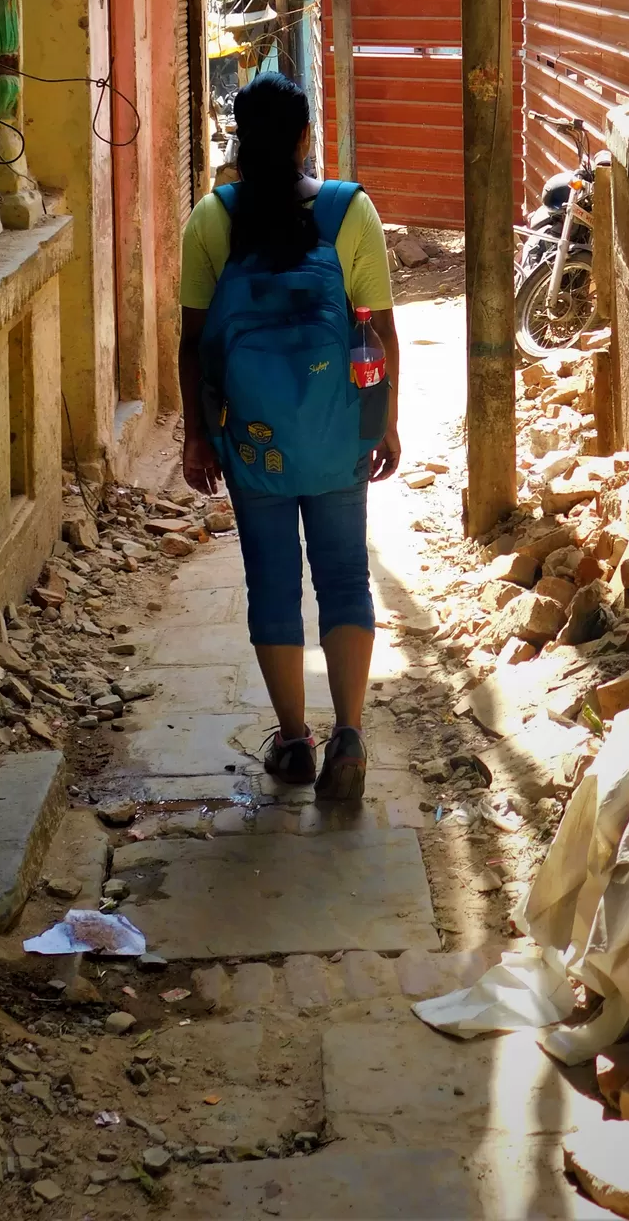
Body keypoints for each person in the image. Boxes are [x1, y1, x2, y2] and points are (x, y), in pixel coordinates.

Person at [178, 74, 400, 801]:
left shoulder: (212, 220)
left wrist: (196, 439)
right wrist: (386, 421)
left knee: (272, 584)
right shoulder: (349, 212)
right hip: (337, 435)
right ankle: (350, 735)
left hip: (253, 441)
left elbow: (193, 343)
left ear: (240, 138)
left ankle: (295, 743)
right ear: (306, 137)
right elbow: (378, 325)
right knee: (343, 578)